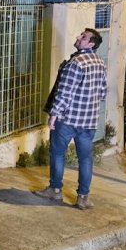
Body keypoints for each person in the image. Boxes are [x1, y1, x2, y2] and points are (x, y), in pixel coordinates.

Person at [34, 28, 107, 210]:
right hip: (89, 121)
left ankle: (55, 190)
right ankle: (83, 198)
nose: (78, 37)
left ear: (91, 43)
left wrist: (54, 115)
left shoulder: (76, 63)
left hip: (68, 119)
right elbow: (103, 93)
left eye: (83, 37)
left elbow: (64, 93)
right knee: (86, 159)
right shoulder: (100, 62)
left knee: (58, 153)